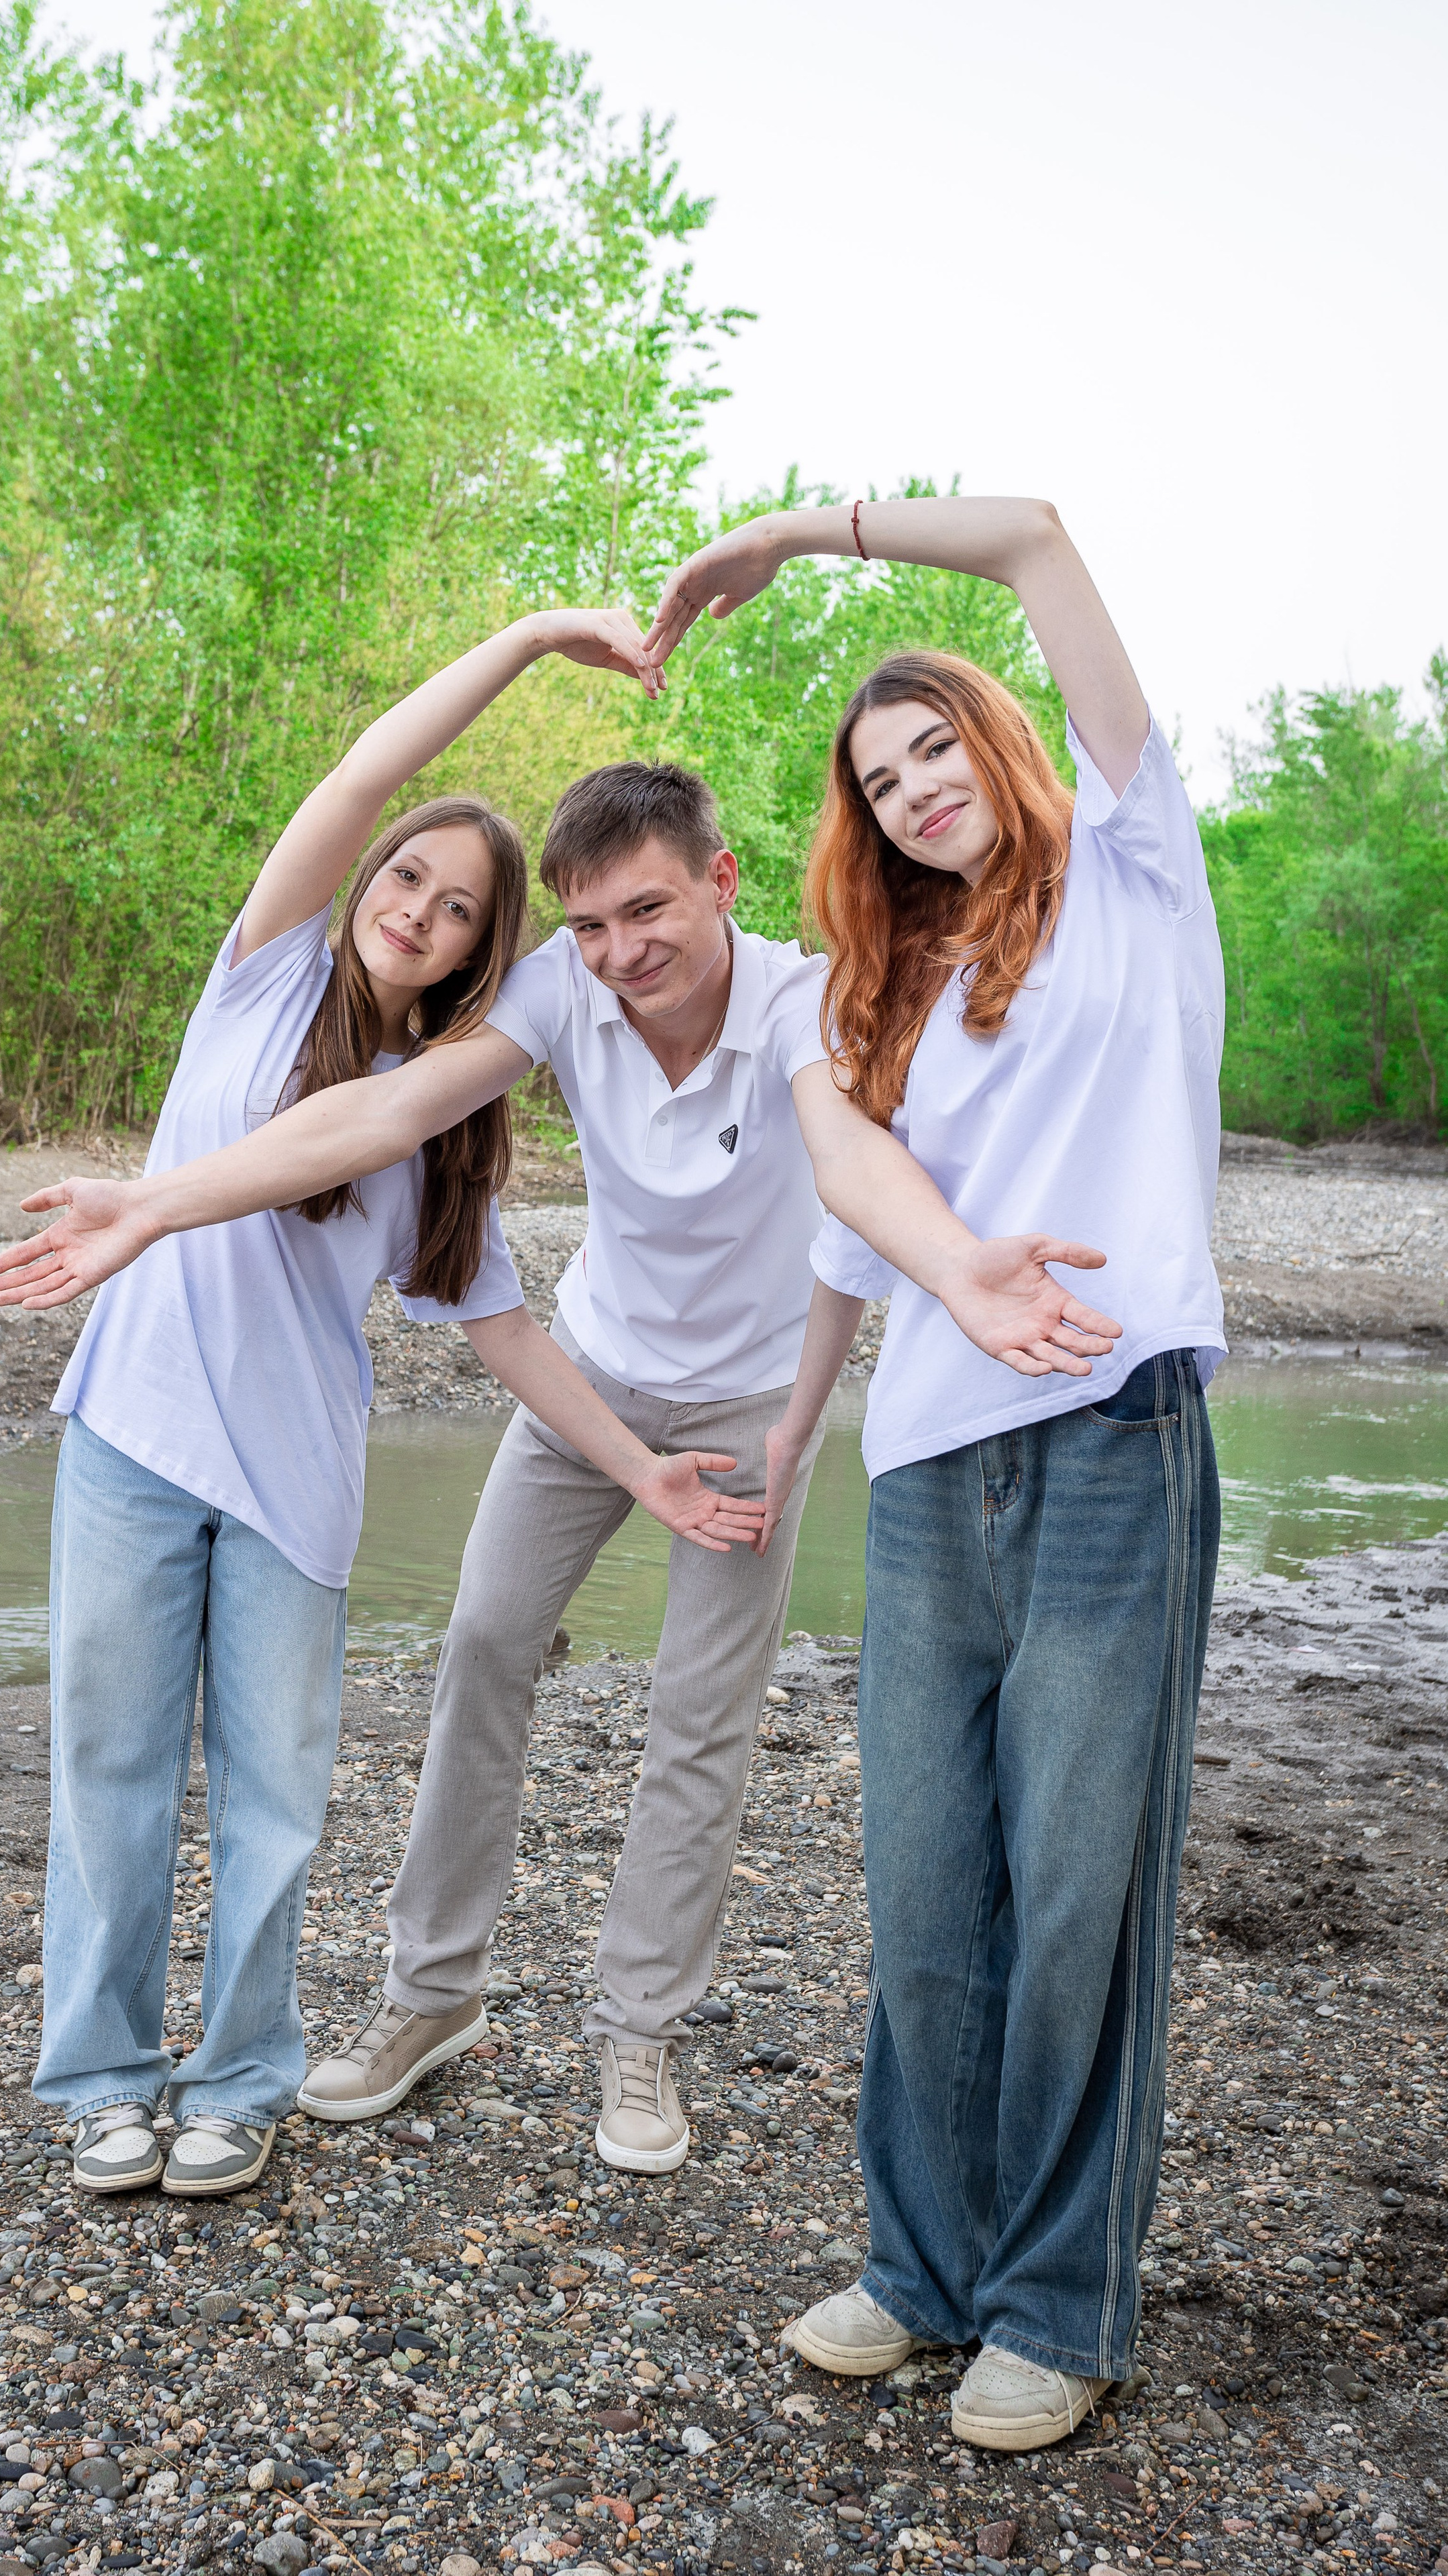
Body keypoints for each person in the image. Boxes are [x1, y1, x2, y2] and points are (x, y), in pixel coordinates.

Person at [0, 736, 1121, 2186]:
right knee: (480, 1644)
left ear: (716, 882)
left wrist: (807, 1410)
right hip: (587, 1378)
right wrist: (151, 1206)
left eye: (647, 912)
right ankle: (429, 1995)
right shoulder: (555, 992)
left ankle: (638, 2030)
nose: (619, 949)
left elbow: (845, 1197)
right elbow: (388, 1111)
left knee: (701, 1714)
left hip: (755, 1399)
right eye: (587, 923)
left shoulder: (798, 999)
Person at [28, 605, 776, 2202]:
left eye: (457, 914)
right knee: (111, 1764)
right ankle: (101, 2078)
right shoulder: (259, 975)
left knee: (278, 1798)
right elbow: (375, 770)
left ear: (476, 957)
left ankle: (237, 2080)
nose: (418, 914)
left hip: (296, 1481)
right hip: (131, 1439)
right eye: (406, 883)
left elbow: (506, 1332)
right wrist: (523, 644)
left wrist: (643, 1471)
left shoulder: (442, 1122)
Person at [643, 494, 1224, 2449]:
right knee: (926, 1889)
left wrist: (806, 533)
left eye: (934, 753)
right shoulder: (849, 983)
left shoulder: (1143, 869)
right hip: (931, 1467)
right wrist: (954, 1271)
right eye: (878, 784)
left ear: (1004, 740)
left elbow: (1049, 543)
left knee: (1078, 1891)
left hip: (1119, 1440)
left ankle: (1056, 2307)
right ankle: (922, 2269)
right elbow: (849, 1169)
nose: (911, 796)